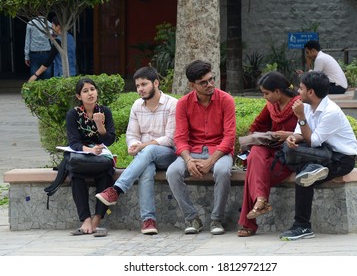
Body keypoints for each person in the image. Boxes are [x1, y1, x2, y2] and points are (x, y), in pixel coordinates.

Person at [95, 66, 178, 235]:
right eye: (138, 85)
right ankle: (148, 221)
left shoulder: (172, 104)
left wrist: (143, 147)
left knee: (149, 151)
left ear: (156, 83)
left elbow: (170, 138)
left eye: (144, 84)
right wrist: (133, 146)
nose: (140, 89)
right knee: (146, 169)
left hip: (167, 154)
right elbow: (132, 135)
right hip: (145, 156)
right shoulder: (137, 105)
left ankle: (116, 190)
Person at [279, 71, 357, 241]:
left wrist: (300, 117)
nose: (298, 92)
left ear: (311, 92)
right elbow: (300, 134)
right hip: (321, 154)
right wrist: (293, 139)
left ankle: (302, 226)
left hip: (341, 159)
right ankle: (315, 169)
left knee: (304, 176)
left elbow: (313, 141)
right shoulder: (307, 106)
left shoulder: (331, 112)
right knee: (287, 151)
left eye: (301, 88)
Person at [166, 59, 236, 235]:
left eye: (211, 79)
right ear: (192, 85)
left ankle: (216, 219)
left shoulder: (226, 100)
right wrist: (188, 160)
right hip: (193, 150)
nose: (209, 84)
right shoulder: (183, 103)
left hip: (219, 152)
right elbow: (180, 137)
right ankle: (192, 218)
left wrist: (210, 162)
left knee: (221, 171)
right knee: (172, 172)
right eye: (203, 82)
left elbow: (229, 138)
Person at [237, 71, 301, 237]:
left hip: (289, 153)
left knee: (253, 172)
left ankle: (248, 223)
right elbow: (256, 125)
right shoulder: (271, 106)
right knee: (255, 153)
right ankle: (260, 200)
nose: (264, 97)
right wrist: (255, 139)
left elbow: (309, 131)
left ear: (278, 92)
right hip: (270, 149)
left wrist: (288, 135)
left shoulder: (298, 106)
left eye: (266, 93)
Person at [67, 78, 116, 235]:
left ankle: (97, 219)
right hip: (82, 155)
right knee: (75, 175)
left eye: (92, 89)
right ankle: (85, 220)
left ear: (97, 92)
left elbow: (110, 140)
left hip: (100, 157)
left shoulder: (104, 111)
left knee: (106, 173)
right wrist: (90, 150)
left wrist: (100, 127)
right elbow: (73, 143)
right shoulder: (73, 114)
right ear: (79, 96)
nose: (90, 93)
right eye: (85, 91)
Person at [28, 16, 76, 82]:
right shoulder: (71, 37)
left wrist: (35, 75)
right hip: (73, 72)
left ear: (58, 27)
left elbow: (49, 60)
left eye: (53, 26)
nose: (52, 28)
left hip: (61, 74)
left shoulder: (58, 41)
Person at [24, 15, 53, 79]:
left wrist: (26, 56)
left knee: (34, 74)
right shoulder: (49, 24)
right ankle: (46, 89)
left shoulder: (30, 24)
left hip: (34, 53)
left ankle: (34, 88)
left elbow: (28, 40)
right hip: (47, 52)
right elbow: (52, 40)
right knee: (47, 75)